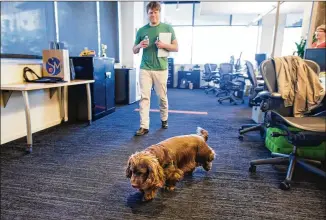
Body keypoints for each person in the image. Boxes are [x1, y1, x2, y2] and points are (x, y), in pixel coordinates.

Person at [133, 1, 178, 136]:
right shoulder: (142, 30)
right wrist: (140, 45)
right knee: (144, 98)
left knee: (162, 97)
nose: (153, 14)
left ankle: (164, 119)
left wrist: (164, 45)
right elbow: (134, 50)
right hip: (145, 68)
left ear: (159, 12)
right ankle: (144, 126)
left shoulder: (167, 28)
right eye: (150, 12)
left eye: (155, 12)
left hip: (161, 68)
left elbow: (176, 47)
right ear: (148, 14)